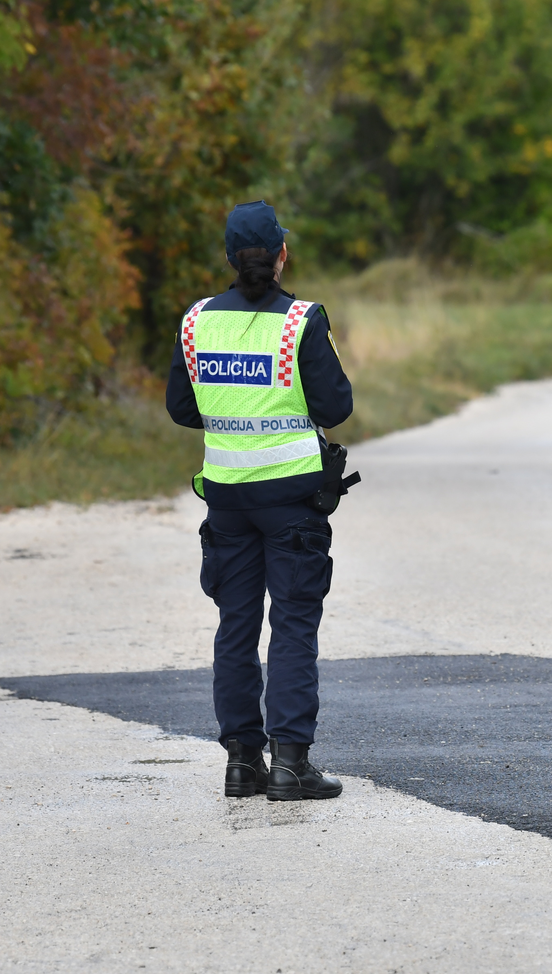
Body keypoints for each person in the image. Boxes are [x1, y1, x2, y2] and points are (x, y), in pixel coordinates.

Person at [165, 200, 354, 801]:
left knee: (235, 627)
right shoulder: (302, 320)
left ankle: (242, 762)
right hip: (293, 499)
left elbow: (180, 407)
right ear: (281, 256)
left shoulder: (196, 322)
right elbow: (335, 408)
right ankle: (291, 765)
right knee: (293, 625)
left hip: (226, 500)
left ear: (228, 257)